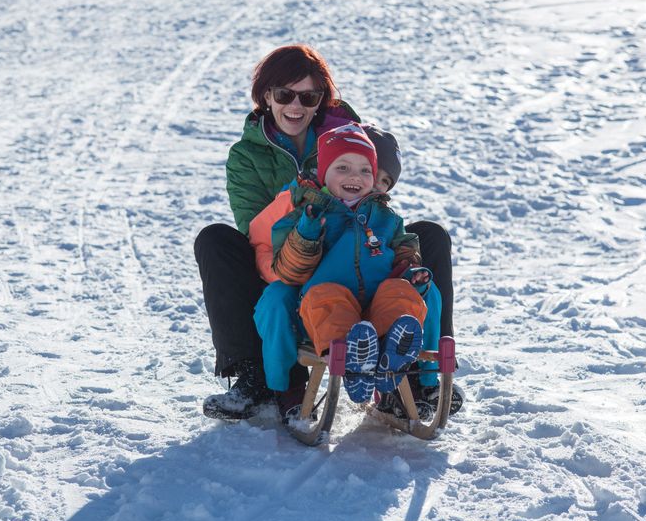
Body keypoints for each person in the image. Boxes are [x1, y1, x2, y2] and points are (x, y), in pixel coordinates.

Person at [194, 44, 457, 420]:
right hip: (288, 260)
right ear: (266, 96)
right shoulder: (246, 156)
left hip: (357, 252)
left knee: (429, 235)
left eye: (308, 96)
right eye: (284, 94)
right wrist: (297, 271)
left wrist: (389, 253)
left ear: (322, 100)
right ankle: (254, 378)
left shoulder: (350, 133)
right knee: (216, 240)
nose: (296, 106)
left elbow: (375, 187)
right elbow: (256, 232)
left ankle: (419, 377)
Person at [249, 124, 446, 422]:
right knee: (327, 296)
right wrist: (307, 232)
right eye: (343, 168)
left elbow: (404, 248)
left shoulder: (387, 218)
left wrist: (410, 270)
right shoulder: (307, 214)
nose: (356, 177)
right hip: (326, 307)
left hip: (376, 307)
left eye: (367, 171)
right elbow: (289, 270)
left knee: (401, 292)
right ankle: (355, 360)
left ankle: (391, 351)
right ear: (324, 173)